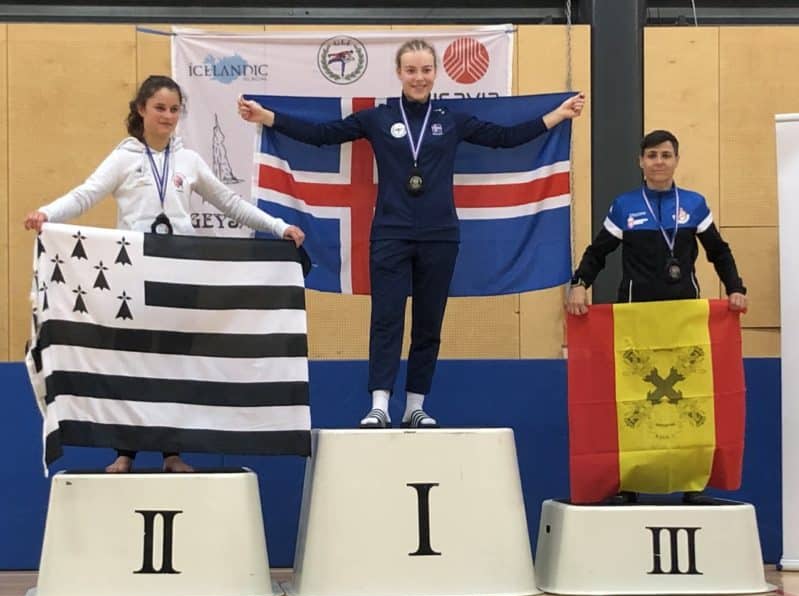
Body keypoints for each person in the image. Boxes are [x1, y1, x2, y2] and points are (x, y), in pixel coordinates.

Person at [239, 39, 584, 429]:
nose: (419, 78)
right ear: (399, 74)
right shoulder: (377, 118)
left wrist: (557, 115)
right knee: (386, 319)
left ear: (435, 73)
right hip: (391, 233)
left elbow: (505, 138)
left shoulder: (452, 119)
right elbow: (322, 134)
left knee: (428, 324)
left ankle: (415, 406)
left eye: (425, 70)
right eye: (411, 70)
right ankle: (380, 405)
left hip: (441, 236)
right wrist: (268, 117)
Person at [24, 75, 305, 473]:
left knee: (176, 363)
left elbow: (229, 202)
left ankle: (173, 453)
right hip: (133, 275)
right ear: (141, 109)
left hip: (180, 274)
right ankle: (125, 452)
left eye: (174, 109)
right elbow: (86, 194)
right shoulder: (124, 158)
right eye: (160, 108)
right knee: (132, 361)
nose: (168, 116)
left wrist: (278, 226)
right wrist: (47, 214)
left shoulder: (188, 160)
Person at [565, 129, 747, 504]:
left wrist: (735, 287)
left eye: (666, 155)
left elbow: (719, 251)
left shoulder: (694, 204)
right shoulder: (624, 206)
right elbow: (598, 252)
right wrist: (580, 284)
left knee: (689, 399)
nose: (659, 162)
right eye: (652, 156)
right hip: (636, 319)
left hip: (685, 318)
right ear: (641, 162)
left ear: (676, 160)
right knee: (634, 398)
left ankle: (692, 486)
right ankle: (628, 484)